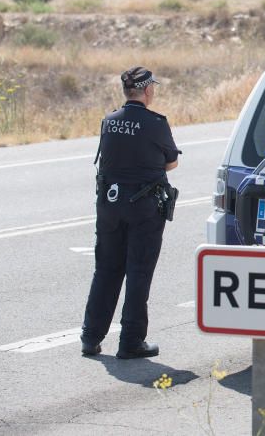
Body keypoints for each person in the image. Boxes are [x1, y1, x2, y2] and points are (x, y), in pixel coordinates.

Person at [81, 66, 180, 359]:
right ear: (148, 90)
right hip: (143, 208)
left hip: (109, 206)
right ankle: (131, 342)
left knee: (106, 270)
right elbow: (171, 163)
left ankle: (90, 337)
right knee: (138, 273)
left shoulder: (108, 121)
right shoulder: (156, 123)